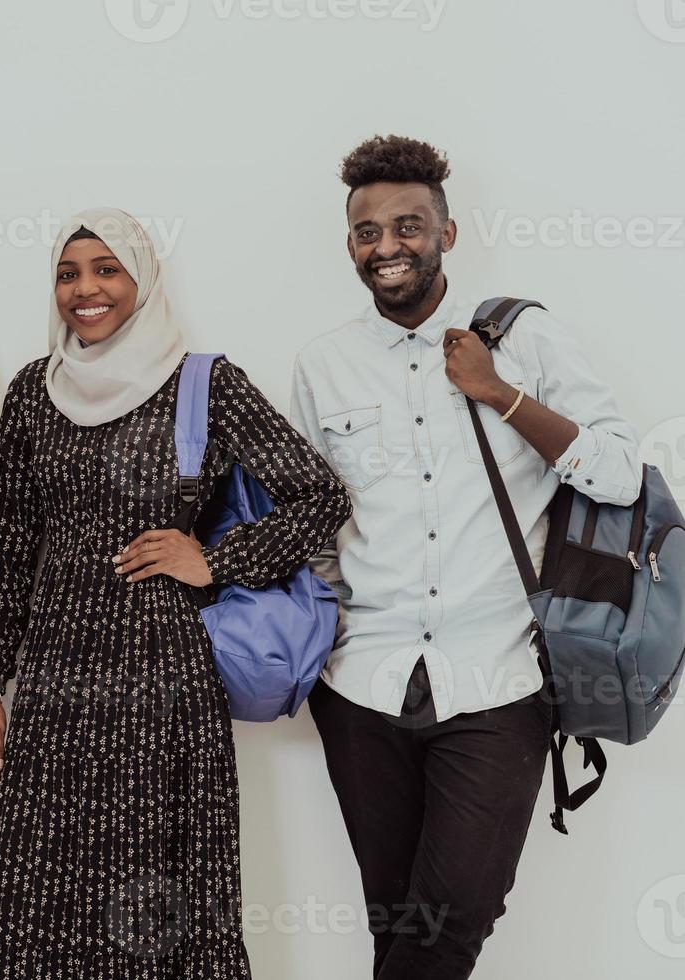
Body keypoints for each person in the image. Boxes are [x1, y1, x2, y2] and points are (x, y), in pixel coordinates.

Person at [0, 207, 352, 978]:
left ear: (143, 279)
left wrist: (215, 558)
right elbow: (4, 550)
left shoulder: (205, 383)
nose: (85, 289)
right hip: (56, 687)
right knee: (43, 892)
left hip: (164, 681)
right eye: (68, 273)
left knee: (159, 896)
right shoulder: (34, 394)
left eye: (108, 269)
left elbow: (320, 497)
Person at [290, 135, 641, 979]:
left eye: (408, 226)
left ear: (448, 233)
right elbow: (311, 523)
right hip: (363, 684)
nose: (388, 247)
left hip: (498, 680)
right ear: (349, 246)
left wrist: (500, 393)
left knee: (452, 925)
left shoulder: (526, 338)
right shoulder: (323, 364)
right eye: (368, 232)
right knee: (399, 926)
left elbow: (622, 475)